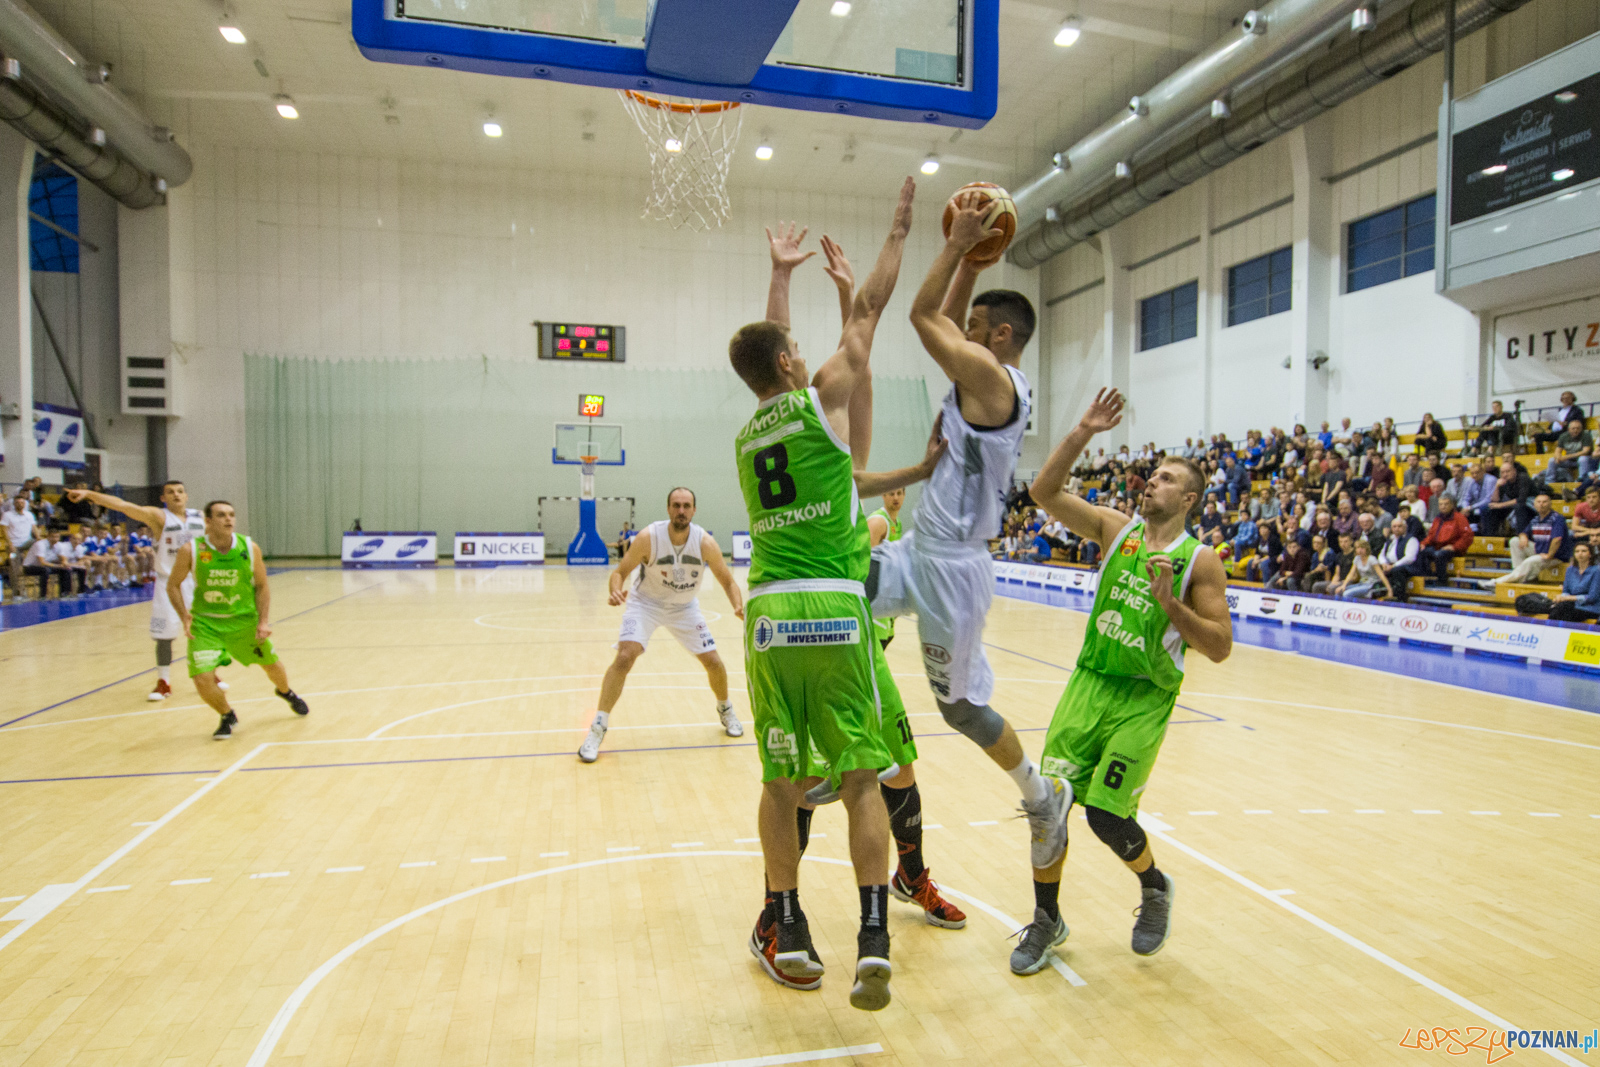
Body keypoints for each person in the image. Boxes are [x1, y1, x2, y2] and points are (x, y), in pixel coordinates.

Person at [728, 181, 912, 1011]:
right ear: (797, 364)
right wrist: (899, 233)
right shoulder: (825, 396)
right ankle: (873, 932)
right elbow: (869, 311)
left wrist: (780, 276)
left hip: (769, 612)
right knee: (864, 777)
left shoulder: (750, 430)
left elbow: (772, 353)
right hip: (836, 609)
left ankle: (789, 921)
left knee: (780, 782)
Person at [869, 186, 1071, 879]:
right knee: (834, 600)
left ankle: (1043, 796)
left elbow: (925, 315)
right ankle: (853, 755)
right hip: (919, 549)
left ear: (1002, 337)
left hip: (954, 570)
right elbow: (949, 315)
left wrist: (956, 244)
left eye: (978, 323)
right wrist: (974, 261)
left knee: (958, 710)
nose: (966, 329)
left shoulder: (993, 380)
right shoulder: (984, 367)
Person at [1019, 388, 1232, 973]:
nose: (1150, 482)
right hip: (1090, 683)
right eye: (1151, 475)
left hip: (1144, 697)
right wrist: (1084, 430)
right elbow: (1042, 493)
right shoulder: (1117, 530)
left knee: (1106, 816)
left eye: (1164, 479)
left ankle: (1154, 885)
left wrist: (1174, 607)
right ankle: (1046, 921)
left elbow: (1218, 648)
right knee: (1049, 809)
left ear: (1188, 498)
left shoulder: (1199, 560)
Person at [579, 488, 747, 762]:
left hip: (684, 608)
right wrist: (615, 590)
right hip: (646, 604)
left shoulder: (705, 542)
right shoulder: (648, 538)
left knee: (714, 662)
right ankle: (598, 727)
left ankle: (725, 709)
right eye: (676, 505)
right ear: (668, 509)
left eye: (687, 506)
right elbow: (619, 572)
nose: (681, 510)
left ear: (694, 510)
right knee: (624, 657)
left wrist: (737, 605)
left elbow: (728, 580)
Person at [165, 501, 309, 739]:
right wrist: (184, 617)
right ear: (208, 522)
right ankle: (226, 715)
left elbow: (262, 586)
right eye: (221, 515)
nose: (229, 519)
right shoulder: (191, 550)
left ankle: (286, 692)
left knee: (272, 666)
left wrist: (263, 621)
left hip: (244, 622)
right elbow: (172, 585)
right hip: (206, 623)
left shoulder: (249, 548)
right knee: (202, 678)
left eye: (232, 515)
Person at [67, 483, 208, 700]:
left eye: (180, 491)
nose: (176, 495)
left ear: (186, 495)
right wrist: (88, 494)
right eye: (170, 492)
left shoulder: (200, 516)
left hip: (196, 580)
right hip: (167, 582)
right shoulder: (158, 516)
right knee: (163, 635)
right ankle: (164, 681)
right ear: (163, 497)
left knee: (204, 631)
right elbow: (122, 505)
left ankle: (210, 674)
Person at [1481, 494, 1568, 588]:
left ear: (1550, 504)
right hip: (1540, 551)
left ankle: (1497, 583)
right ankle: (1518, 575)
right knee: (1514, 541)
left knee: (1530, 561)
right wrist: (1523, 536)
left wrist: (1549, 555)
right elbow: (1524, 533)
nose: (1541, 504)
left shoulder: (1557, 518)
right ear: (1534, 505)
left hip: (1555, 557)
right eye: (1538, 502)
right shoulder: (1536, 519)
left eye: (1544, 502)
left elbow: (1557, 539)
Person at [1419, 495, 1474, 583]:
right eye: (1441, 504)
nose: (1443, 506)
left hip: (1454, 549)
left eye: (1446, 504)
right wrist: (1423, 544)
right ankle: (1428, 578)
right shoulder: (1438, 519)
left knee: (1440, 555)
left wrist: (1454, 547)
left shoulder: (1459, 518)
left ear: (1452, 505)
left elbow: (1467, 536)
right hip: (1438, 547)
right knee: (1422, 552)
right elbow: (1431, 535)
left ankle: (1442, 581)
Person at [1549, 542, 1600, 622]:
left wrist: (1569, 598)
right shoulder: (1570, 570)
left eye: (1583, 551)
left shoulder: (1596, 571)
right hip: (1571, 605)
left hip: (1589, 608)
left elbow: (1592, 597)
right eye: (1577, 551)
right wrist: (1562, 597)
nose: (1580, 554)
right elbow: (1566, 591)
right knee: (1556, 609)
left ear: (1590, 554)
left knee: (1564, 611)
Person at [1483, 459, 1535, 537]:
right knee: (1488, 508)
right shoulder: (1503, 482)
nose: (1505, 474)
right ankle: (1491, 538)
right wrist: (1497, 486)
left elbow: (1521, 499)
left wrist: (1501, 505)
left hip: (1531, 505)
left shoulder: (1523, 478)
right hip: (1513, 505)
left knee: (1519, 507)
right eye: (1503, 472)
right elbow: (1495, 500)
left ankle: (1522, 536)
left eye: (1508, 471)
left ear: (1514, 471)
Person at [1377, 517, 1421, 602]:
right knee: (1376, 566)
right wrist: (1384, 564)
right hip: (1390, 566)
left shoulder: (1411, 539)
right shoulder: (1390, 540)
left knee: (1397, 570)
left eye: (1399, 526)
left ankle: (1399, 598)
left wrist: (1393, 566)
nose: (1396, 528)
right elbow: (1381, 555)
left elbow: (1410, 558)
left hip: (1408, 568)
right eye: (1394, 526)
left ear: (1405, 527)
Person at [20, 527, 71, 597]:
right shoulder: (40, 544)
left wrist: (65, 562)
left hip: (47, 566)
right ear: (48, 537)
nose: (55, 539)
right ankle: (43, 595)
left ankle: (64, 593)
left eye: (57, 537)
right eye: (53, 537)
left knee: (66, 569)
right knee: (45, 570)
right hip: (30, 567)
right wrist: (59, 566)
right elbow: (42, 562)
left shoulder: (58, 545)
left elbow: (63, 556)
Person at [4, 495, 37, 593]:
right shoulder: (7, 515)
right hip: (13, 545)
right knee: (14, 568)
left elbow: (34, 528)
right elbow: (4, 530)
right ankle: (16, 591)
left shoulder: (29, 515)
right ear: (14, 504)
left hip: (27, 544)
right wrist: (9, 543)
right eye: (18, 502)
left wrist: (39, 538)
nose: (20, 504)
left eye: (22, 502)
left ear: (25, 504)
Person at [1550, 417, 1594, 484]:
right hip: (1569, 461)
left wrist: (1566, 457)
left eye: (1578, 428)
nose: (1575, 430)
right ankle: (1550, 482)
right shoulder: (1563, 436)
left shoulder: (1586, 435)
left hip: (1584, 460)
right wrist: (1558, 457)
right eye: (1573, 428)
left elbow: (1586, 451)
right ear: (1568, 429)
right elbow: (1557, 451)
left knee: (1582, 459)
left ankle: (1581, 480)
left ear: (1581, 429)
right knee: (1552, 460)